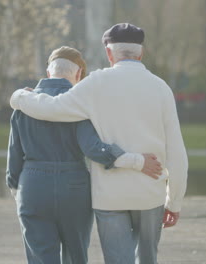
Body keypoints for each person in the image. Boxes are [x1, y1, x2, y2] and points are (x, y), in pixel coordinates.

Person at [9, 23, 188, 264]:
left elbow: (52, 108)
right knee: (147, 259)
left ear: (109, 53)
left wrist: (19, 96)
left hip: (109, 196)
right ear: (141, 53)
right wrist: (174, 201)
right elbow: (177, 153)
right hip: (150, 193)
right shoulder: (161, 88)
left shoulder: (94, 84)